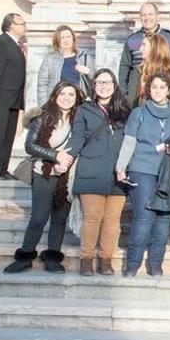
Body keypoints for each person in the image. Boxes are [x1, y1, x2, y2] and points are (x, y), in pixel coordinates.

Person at [116, 72, 170, 276]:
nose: (158, 91)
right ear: (148, 90)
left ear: (169, 91)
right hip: (143, 168)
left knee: (163, 218)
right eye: (154, 87)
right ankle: (132, 265)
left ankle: (156, 264)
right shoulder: (138, 113)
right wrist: (121, 166)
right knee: (143, 216)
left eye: (162, 87)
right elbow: (129, 141)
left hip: (168, 172)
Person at [2, 82, 82, 274]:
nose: (66, 98)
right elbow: (30, 146)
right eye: (62, 93)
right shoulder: (43, 117)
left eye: (71, 94)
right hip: (44, 173)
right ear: (54, 96)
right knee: (39, 217)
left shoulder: (80, 119)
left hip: (67, 175)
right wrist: (55, 156)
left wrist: (67, 162)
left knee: (59, 218)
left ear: (76, 98)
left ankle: (53, 257)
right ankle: (25, 256)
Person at [66, 69, 132, 275]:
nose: (104, 86)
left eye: (108, 82)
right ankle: (86, 259)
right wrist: (67, 157)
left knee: (112, 218)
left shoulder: (125, 109)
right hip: (91, 168)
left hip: (117, 171)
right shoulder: (85, 110)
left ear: (114, 85)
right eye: (99, 82)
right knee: (93, 216)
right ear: (93, 86)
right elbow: (76, 138)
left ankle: (106, 259)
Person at [0, 13, 27, 181]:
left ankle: (2, 168)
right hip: (0, 98)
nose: (25, 26)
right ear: (11, 25)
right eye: (21, 23)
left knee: (8, 135)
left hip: (13, 99)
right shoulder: (0, 43)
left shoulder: (16, 45)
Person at [119, 2, 170, 93]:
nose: (147, 18)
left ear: (158, 17)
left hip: (163, 89)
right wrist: (124, 91)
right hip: (138, 89)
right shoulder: (132, 39)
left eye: (150, 14)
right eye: (143, 15)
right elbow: (125, 66)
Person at [36, 25, 94, 105]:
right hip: (57, 103)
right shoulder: (50, 59)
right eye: (62, 38)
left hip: (79, 103)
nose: (66, 40)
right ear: (57, 41)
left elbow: (96, 80)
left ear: (73, 39)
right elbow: (42, 84)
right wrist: (44, 106)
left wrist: (88, 71)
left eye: (68, 37)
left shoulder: (84, 57)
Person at [126, 33, 170, 107]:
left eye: (144, 45)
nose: (140, 49)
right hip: (139, 114)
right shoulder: (138, 71)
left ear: (154, 48)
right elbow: (131, 99)